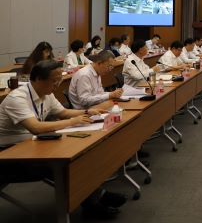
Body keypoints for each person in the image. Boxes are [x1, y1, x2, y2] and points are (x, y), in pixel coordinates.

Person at [0, 60, 128, 216]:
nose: (57, 85)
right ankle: (92, 203)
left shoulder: (46, 93)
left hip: (30, 145)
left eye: (59, 80)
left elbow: (63, 112)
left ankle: (96, 196)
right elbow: (35, 127)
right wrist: (72, 122)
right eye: (54, 81)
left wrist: (87, 112)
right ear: (38, 79)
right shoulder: (17, 98)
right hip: (8, 155)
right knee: (66, 164)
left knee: (79, 156)